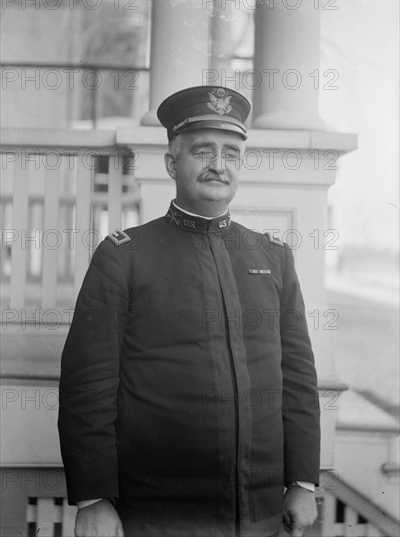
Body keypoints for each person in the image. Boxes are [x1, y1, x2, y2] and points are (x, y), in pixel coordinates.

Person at [58, 86, 320, 537]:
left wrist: (302, 480)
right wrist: (94, 496)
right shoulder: (125, 256)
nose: (220, 165)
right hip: (158, 516)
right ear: (171, 162)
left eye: (232, 154)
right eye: (203, 151)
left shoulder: (273, 256)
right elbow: (88, 384)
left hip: (259, 514)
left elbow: (297, 377)